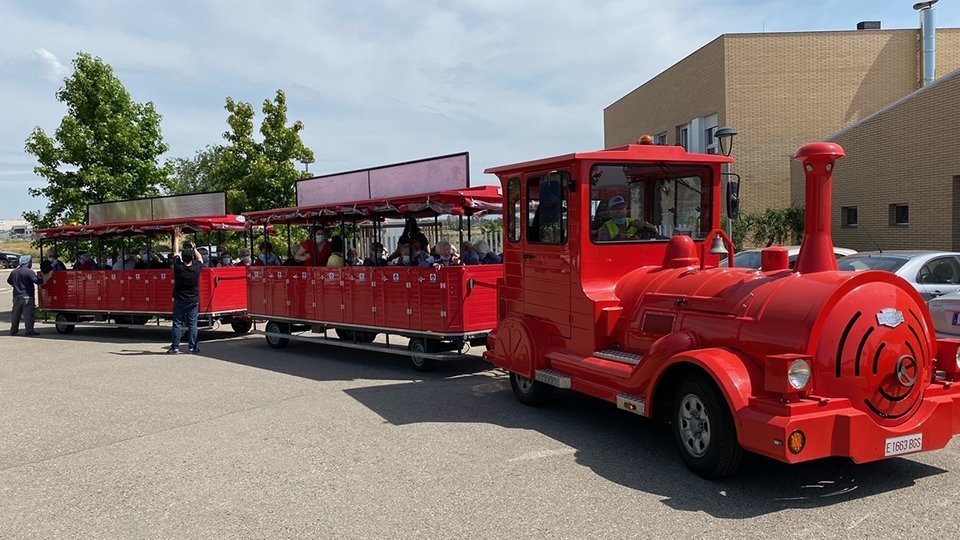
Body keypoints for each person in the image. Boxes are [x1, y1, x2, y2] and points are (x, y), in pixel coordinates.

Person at [169, 231, 203, 354]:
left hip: (179, 299)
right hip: (193, 300)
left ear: (182, 258)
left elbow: (175, 252)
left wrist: (177, 238)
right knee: (193, 324)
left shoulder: (178, 267)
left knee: (177, 323)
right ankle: (192, 347)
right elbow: (200, 258)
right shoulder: (196, 268)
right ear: (192, 258)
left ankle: (175, 347)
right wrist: (195, 249)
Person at [7, 255, 44, 336]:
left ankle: (13, 330)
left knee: (15, 314)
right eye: (31, 261)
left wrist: (14, 285)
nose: (31, 263)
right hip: (27, 296)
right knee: (28, 314)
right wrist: (43, 278)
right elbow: (37, 281)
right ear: (28, 262)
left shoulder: (14, 271)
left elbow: (9, 281)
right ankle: (29, 331)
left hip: (16, 296)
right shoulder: (29, 272)